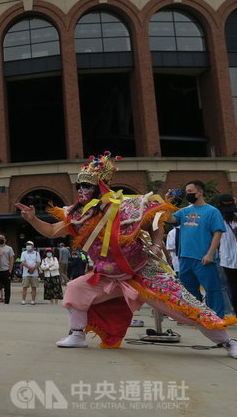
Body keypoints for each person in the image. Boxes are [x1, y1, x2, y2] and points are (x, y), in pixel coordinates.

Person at [16, 152, 236, 357]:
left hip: (144, 273)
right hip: (107, 276)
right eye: (79, 185)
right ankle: (77, 334)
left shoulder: (127, 206)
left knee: (185, 307)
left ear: (100, 187)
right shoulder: (78, 215)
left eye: (87, 185)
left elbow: (155, 221)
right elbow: (52, 231)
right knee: (75, 288)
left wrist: (157, 244)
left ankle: (229, 343)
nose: (82, 189)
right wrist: (33, 220)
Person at [166, 180, 227, 318]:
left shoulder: (212, 211)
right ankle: (195, 315)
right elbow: (169, 219)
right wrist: (167, 203)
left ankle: (216, 317)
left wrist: (210, 254)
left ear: (200, 192)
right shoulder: (184, 211)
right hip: (185, 258)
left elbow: (217, 233)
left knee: (212, 289)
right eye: (186, 192)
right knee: (189, 290)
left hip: (203, 258)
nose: (188, 194)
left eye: (190, 191)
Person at [215, 194, 237, 314]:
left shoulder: (217, 220)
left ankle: (231, 312)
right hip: (227, 259)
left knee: (231, 288)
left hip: (226, 260)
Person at [0, 234, 14, 304]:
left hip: (6, 270)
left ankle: (6, 301)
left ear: (5, 239)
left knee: (7, 287)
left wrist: (10, 270)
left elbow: (11, 260)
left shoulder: (9, 248)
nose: (0, 239)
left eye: (2, 238)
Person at [19, 241, 40, 305]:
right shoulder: (23, 253)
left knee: (34, 287)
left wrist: (33, 268)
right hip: (26, 273)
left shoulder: (36, 253)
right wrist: (29, 268)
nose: (28, 246)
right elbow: (23, 262)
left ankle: (33, 300)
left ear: (33, 246)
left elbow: (38, 262)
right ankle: (23, 300)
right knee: (24, 287)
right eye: (27, 245)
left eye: (29, 245)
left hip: (35, 273)